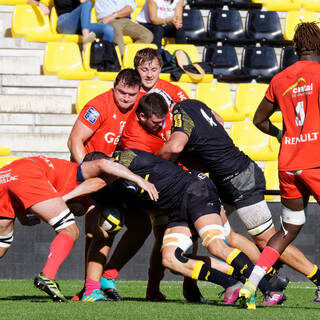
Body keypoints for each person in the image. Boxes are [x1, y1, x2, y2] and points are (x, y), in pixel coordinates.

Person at [156, 98, 320, 305]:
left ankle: (318, 279)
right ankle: (269, 276)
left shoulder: (179, 111)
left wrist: (155, 163)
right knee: (225, 234)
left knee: (269, 240)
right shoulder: (194, 104)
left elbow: (175, 145)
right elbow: (219, 119)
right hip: (228, 178)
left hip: (241, 178)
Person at [83, 149, 284, 304]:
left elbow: (118, 165)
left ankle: (269, 290)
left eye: (101, 171)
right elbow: (90, 214)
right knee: (170, 259)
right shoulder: (106, 186)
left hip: (196, 190)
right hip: (178, 208)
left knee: (216, 246)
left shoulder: (125, 157)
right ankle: (233, 282)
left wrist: (134, 179)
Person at [239, 21, 320, 309]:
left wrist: (279, 134)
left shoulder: (280, 79)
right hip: (315, 161)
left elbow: (259, 120)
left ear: (296, 48)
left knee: (288, 230)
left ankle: (250, 287)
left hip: (288, 164)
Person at [0, 154, 158, 302]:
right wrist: (139, 180)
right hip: (27, 173)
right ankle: (47, 276)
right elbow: (104, 163)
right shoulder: (80, 171)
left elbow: (17, 190)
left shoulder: (63, 182)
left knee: (3, 243)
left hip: (6, 175)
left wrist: (23, 219)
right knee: (70, 231)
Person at [68, 68, 141, 162]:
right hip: (92, 165)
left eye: (131, 94)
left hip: (119, 167)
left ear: (139, 91)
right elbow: (74, 140)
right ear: (114, 86)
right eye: (122, 92)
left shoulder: (142, 104)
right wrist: (87, 169)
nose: (126, 98)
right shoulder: (98, 106)